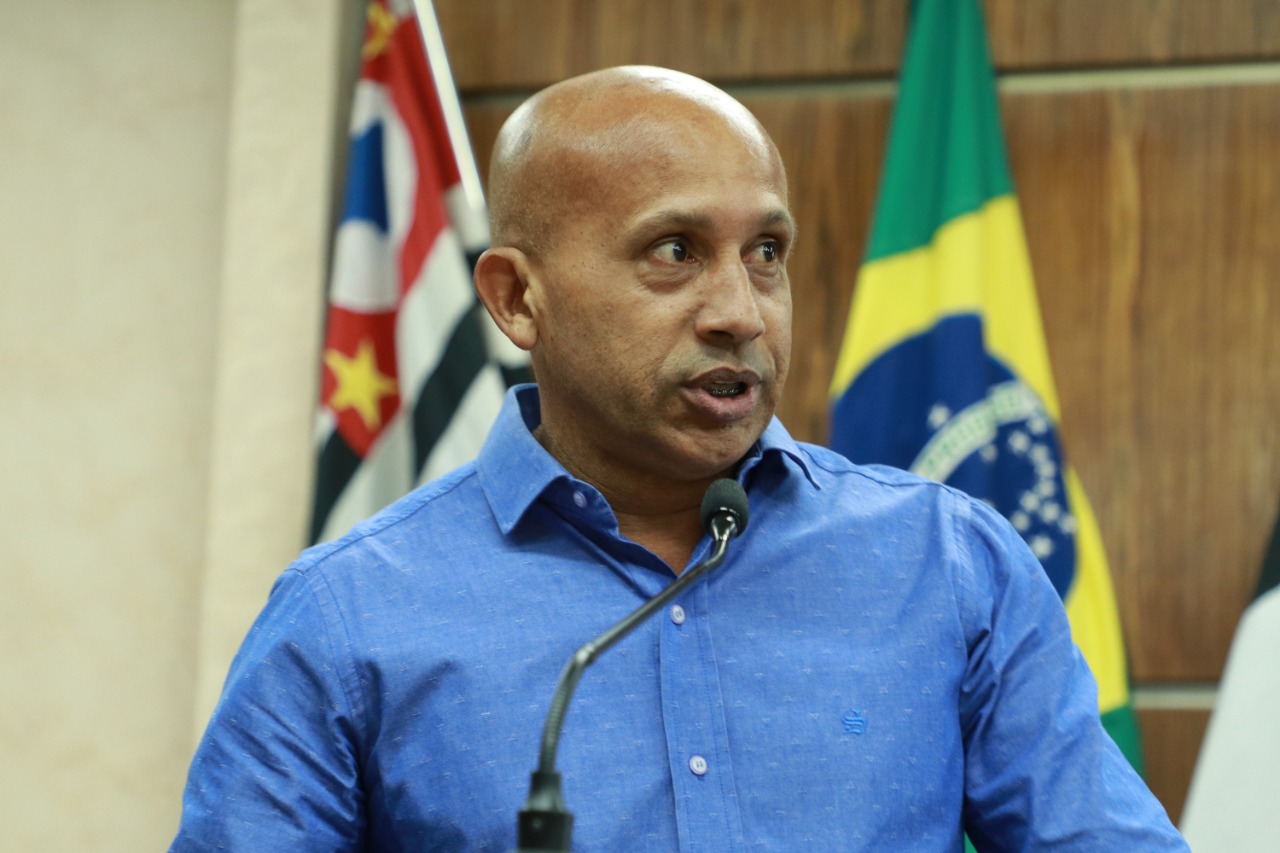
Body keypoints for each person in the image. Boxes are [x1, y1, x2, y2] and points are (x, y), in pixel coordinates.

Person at [170, 66, 1187, 851]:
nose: (740, 312)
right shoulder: (348, 616)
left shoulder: (947, 563)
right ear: (517, 299)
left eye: (765, 254)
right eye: (674, 253)